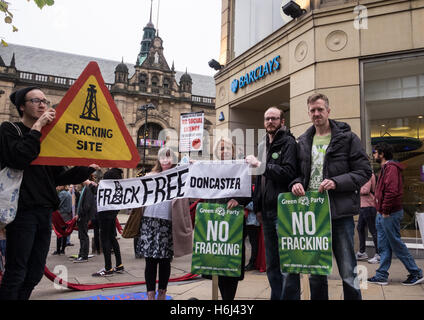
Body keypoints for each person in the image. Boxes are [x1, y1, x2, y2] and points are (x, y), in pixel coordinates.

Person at [0, 86, 98, 300]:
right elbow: (19, 158)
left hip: (44, 212)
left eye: (45, 100)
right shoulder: (9, 130)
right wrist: (38, 127)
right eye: (35, 100)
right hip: (21, 211)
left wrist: (87, 169)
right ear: (22, 106)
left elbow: (59, 177)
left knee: (35, 272)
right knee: (16, 271)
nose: (42, 104)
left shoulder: (47, 139)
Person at [285, 93, 371, 300]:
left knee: (348, 269)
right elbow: (296, 173)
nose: (316, 114)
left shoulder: (347, 138)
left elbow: (364, 171)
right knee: (315, 271)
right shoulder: (303, 141)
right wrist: (295, 183)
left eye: (320, 109)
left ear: (328, 111)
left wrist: (336, 182)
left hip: (339, 214)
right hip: (312, 214)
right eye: (313, 110)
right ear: (308, 113)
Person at [246, 106, 297, 300]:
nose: (270, 122)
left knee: (287, 264)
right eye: (267, 118)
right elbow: (259, 180)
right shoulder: (262, 145)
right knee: (272, 264)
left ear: (282, 122)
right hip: (265, 212)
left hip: (282, 211)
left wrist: (260, 165)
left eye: (274, 119)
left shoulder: (289, 143)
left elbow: (288, 173)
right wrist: (257, 207)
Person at [135, 147, 193, 300]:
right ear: (158, 160)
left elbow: (193, 182)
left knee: (165, 261)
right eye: (163, 157)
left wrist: (192, 165)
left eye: (169, 157)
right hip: (149, 221)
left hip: (167, 223)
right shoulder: (149, 176)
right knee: (150, 261)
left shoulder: (178, 176)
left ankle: (162, 292)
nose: (166, 160)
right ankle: (150, 294)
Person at [367, 143, 423, 286]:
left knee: (396, 244)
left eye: (375, 152)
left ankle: (416, 272)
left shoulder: (391, 168)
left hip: (389, 214)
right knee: (383, 245)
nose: (374, 155)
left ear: (382, 154)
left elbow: (392, 192)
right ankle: (381, 275)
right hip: (383, 213)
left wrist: (385, 210)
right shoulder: (385, 168)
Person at [204, 137, 250, 300]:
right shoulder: (210, 169)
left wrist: (239, 200)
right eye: (221, 149)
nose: (224, 152)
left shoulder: (241, 168)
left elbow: (249, 192)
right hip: (214, 222)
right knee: (216, 262)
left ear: (233, 151)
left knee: (231, 263)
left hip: (233, 222)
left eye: (227, 148)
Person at [92, 168, 125, 277]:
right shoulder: (118, 187)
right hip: (112, 213)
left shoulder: (107, 186)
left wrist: (91, 184)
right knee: (112, 238)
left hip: (105, 214)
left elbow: (98, 191)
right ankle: (119, 264)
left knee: (105, 238)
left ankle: (108, 268)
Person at [356, 172, 380, 264]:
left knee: (373, 230)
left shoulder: (367, 174)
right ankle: (362, 252)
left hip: (369, 206)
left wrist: (354, 188)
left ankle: (379, 254)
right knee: (360, 228)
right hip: (363, 205)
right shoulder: (363, 174)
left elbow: (365, 190)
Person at [74, 178, 97, 263]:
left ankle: (84, 256)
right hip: (81, 216)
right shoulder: (85, 188)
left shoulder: (88, 188)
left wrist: (80, 214)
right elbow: (80, 202)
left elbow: (86, 205)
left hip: (84, 216)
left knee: (83, 236)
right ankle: (81, 254)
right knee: (81, 236)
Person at [53, 185, 73, 255]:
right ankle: (62, 250)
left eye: (59, 186)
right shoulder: (68, 193)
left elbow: (57, 204)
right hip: (67, 216)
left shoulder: (62, 193)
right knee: (64, 233)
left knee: (59, 233)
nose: (57, 187)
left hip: (62, 215)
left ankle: (58, 250)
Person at [244, 197, 260, 271]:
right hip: (246, 220)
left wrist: (243, 203)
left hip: (253, 222)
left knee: (253, 243)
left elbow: (255, 206)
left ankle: (252, 263)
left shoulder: (254, 191)